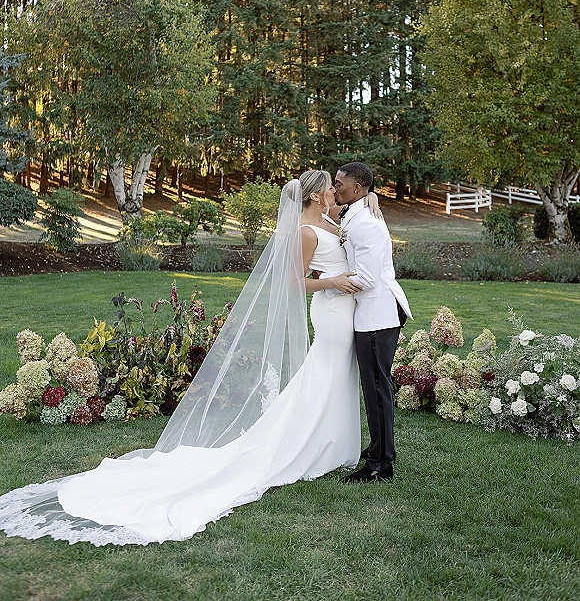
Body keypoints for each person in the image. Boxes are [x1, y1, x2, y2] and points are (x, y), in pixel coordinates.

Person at [0, 170, 371, 546]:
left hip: (342, 308)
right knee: (325, 374)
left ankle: (328, 443)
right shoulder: (306, 231)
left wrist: (368, 202)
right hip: (331, 309)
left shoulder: (328, 219)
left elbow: (351, 225)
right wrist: (332, 282)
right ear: (314, 197)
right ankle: (312, 446)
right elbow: (293, 281)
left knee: (333, 376)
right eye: (328, 188)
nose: (333, 192)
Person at [333, 162, 412, 483]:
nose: (334, 187)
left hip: (377, 317)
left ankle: (380, 464)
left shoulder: (365, 224)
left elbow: (365, 278)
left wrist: (330, 280)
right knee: (374, 387)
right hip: (370, 314)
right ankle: (379, 448)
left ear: (355, 189)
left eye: (338, 183)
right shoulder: (352, 213)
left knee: (377, 389)